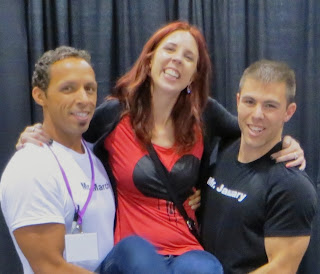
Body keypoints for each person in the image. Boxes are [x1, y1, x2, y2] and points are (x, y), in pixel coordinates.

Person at [15, 22, 305, 273]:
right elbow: (69, 129)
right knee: (140, 256)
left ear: (194, 74)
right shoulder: (114, 115)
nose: (177, 60)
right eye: (170, 50)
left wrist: (287, 143)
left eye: (188, 57)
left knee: (207, 268)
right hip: (132, 254)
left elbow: (251, 133)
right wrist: (36, 133)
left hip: (186, 247)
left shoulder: (205, 115)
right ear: (150, 58)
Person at [0, 46, 172, 274]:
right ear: (40, 95)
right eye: (68, 89)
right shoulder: (29, 168)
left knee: (139, 250)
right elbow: (48, 267)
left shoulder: (98, 155)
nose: (84, 99)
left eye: (89, 89)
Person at [200, 60, 318, 274]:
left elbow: (281, 269)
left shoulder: (293, 187)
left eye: (270, 105)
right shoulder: (226, 148)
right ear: (237, 101)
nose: (257, 114)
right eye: (250, 101)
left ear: (289, 112)